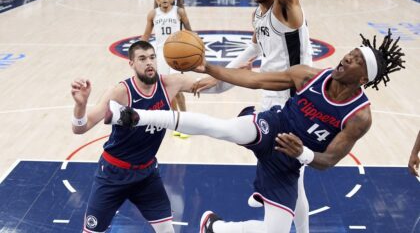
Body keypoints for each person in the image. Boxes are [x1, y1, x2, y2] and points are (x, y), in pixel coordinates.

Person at [105, 30, 405, 233]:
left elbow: (328, 161)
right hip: (272, 126)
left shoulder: (360, 117)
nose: (346, 59)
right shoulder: (309, 76)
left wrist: (303, 153)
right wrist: (210, 67)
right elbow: (255, 80)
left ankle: (215, 227)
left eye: (355, 60)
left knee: (275, 230)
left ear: (363, 77)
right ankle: (135, 116)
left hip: (290, 161)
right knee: (220, 128)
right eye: (349, 54)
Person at [193, 0, 312, 232]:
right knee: (294, 178)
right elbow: (255, 48)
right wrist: (219, 74)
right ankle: (264, 190)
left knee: (294, 178)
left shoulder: (287, 9)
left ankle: (244, 206)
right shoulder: (258, 14)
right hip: (270, 99)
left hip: (294, 104)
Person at [71, 41, 201, 233]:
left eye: (152, 57)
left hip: (146, 174)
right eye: (142, 58)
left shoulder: (169, 85)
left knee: (167, 229)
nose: (149, 62)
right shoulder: (121, 92)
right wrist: (80, 106)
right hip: (113, 173)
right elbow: (80, 128)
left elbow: (207, 85)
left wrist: (231, 69)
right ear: (131, 63)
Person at [142, 0, 192, 138]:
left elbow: (190, 32)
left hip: (176, 52)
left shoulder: (179, 11)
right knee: (167, 91)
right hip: (160, 54)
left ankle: (185, 122)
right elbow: (145, 36)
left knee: (177, 90)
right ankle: (175, 122)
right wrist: (137, 52)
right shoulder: (152, 14)